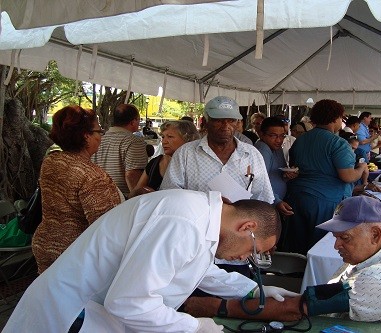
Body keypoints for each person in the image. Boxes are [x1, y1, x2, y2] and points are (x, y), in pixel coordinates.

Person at [4, 190, 298, 333]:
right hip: (71, 315)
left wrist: (252, 290)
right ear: (246, 228)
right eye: (254, 250)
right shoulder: (183, 221)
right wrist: (193, 327)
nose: (246, 258)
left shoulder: (203, 221)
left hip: (90, 311)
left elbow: (198, 268)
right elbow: (128, 302)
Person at [183, 196, 381, 330]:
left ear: (375, 234)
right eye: (336, 237)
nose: (336, 246)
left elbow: (296, 308)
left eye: (344, 238)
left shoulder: (377, 280)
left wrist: (214, 307)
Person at [160, 96, 274, 274]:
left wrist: (264, 237)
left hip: (238, 250)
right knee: (198, 299)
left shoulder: (251, 154)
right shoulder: (186, 153)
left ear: (238, 123)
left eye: (231, 121)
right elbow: (169, 195)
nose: (225, 126)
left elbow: (264, 199)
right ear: (206, 121)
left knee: (238, 296)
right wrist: (206, 201)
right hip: (195, 246)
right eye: (218, 121)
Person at [33, 106, 123, 274]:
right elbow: (105, 227)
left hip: (44, 243)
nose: (100, 137)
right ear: (86, 136)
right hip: (74, 253)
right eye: (99, 131)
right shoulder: (93, 176)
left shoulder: (51, 162)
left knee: (48, 296)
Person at [283, 100, 367, 254]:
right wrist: (361, 168)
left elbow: (295, 167)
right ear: (336, 118)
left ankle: (296, 277)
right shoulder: (338, 143)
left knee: (297, 248)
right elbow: (347, 176)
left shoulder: (301, 140)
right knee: (321, 248)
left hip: (297, 198)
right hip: (325, 202)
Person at [129, 120, 200, 198]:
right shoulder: (155, 163)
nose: (164, 141)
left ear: (188, 139)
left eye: (170, 137)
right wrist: (141, 192)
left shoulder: (197, 165)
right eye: (163, 137)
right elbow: (134, 193)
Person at [93, 104, 148, 197]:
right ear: (133, 122)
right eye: (138, 119)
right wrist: (137, 198)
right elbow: (132, 174)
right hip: (122, 198)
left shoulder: (98, 139)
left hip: (97, 195)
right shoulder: (134, 141)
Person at [254, 117, 296, 216]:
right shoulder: (263, 149)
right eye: (273, 136)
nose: (279, 140)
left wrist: (286, 175)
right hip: (266, 204)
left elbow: (277, 173)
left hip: (273, 202)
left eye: (282, 136)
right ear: (261, 134)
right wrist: (276, 201)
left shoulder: (276, 149)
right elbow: (259, 182)